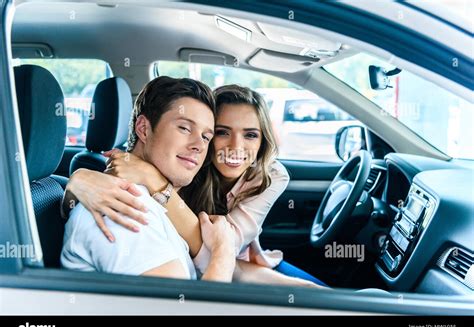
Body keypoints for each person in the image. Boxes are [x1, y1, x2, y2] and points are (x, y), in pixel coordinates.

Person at [61, 77, 322, 288]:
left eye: (206, 135)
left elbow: (221, 257)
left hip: (241, 267)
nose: (198, 145)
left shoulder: (265, 174)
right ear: (143, 129)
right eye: (185, 128)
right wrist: (221, 249)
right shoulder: (125, 209)